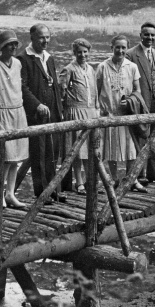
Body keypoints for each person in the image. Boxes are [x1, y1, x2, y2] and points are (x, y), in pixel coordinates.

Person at [18, 24, 68, 203]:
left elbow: (53, 84)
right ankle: (42, 192)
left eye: (47, 37)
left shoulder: (49, 58)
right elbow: (22, 87)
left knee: (53, 152)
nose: (45, 41)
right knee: (39, 153)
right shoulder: (24, 58)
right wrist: (36, 105)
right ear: (32, 37)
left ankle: (55, 189)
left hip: (52, 112)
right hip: (36, 113)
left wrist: (59, 110)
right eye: (41, 37)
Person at [97, 35, 145, 190]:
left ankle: (131, 179)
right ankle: (113, 179)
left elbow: (138, 91)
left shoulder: (132, 67)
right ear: (112, 47)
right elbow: (96, 91)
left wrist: (130, 99)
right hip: (109, 114)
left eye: (123, 47)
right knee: (112, 149)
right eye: (117, 47)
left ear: (127, 48)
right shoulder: (103, 67)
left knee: (131, 149)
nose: (120, 50)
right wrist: (100, 109)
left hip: (127, 114)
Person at [0, 30, 29, 208]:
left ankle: (11, 193)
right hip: (2, 112)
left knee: (17, 157)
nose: (12, 47)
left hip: (18, 111)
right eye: (9, 44)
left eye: (15, 44)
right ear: (2, 46)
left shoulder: (18, 63)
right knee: (6, 157)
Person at [126, 22, 155, 184]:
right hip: (141, 102)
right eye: (146, 34)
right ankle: (138, 174)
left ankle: (153, 172)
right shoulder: (131, 54)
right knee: (141, 137)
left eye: (152, 35)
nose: (150, 38)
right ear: (140, 35)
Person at [59, 38, 100, 193]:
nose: (82, 55)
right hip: (76, 112)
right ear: (74, 53)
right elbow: (61, 90)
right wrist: (66, 108)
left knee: (91, 149)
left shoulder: (91, 69)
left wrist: (96, 108)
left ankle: (91, 180)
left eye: (85, 52)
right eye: (79, 52)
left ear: (89, 53)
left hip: (90, 112)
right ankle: (79, 181)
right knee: (77, 150)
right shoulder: (69, 69)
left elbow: (94, 90)